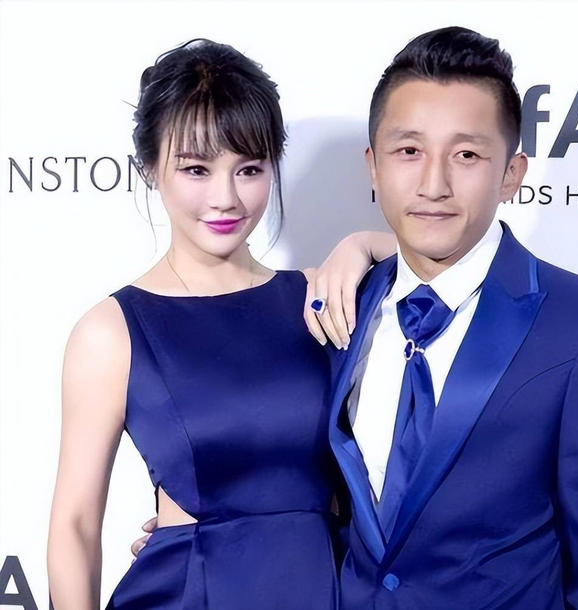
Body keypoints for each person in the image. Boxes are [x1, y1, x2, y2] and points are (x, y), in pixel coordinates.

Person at [307, 26, 578, 609]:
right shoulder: (340, 307)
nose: (433, 185)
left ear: (511, 174)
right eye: (409, 151)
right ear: (373, 167)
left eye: (466, 155)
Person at [46, 38, 394, 610]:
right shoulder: (111, 332)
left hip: (323, 588)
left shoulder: (320, 297)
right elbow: (76, 525)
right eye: (196, 169)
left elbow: (455, 272)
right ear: (150, 168)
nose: (226, 198)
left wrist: (363, 244)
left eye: (249, 169)